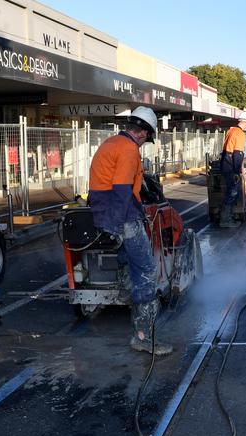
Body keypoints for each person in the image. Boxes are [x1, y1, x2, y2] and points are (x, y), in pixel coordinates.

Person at [88, 106, 173, 356]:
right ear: (143, 132)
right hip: (122, 218)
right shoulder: (128, 149)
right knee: (146, 270)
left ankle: (132, 302)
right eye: (147, 135)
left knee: (129, 265)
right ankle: (143, 336)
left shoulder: (112, 142)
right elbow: (122, 190)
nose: (146, 139)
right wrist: (117, 227)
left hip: (105, 213)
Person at [220, 111, 246, 228]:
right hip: (230, 167)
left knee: (231, 190)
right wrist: (238, 171)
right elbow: (237, 154)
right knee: (233, 191)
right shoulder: (240, 134)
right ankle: (226, 219)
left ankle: (228, 216)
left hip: (225, 164)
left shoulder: (231, 130)